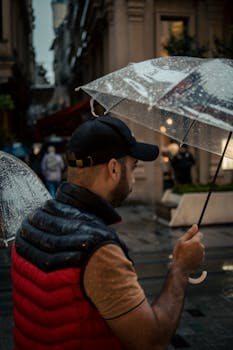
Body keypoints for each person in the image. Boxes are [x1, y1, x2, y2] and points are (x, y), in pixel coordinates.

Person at [11, 115, 205, 350]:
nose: (132, 180)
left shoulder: (31, 222)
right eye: (132, 168)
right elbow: (151, 340)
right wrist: (180, 268)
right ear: (114, 168)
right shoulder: (99, 250)